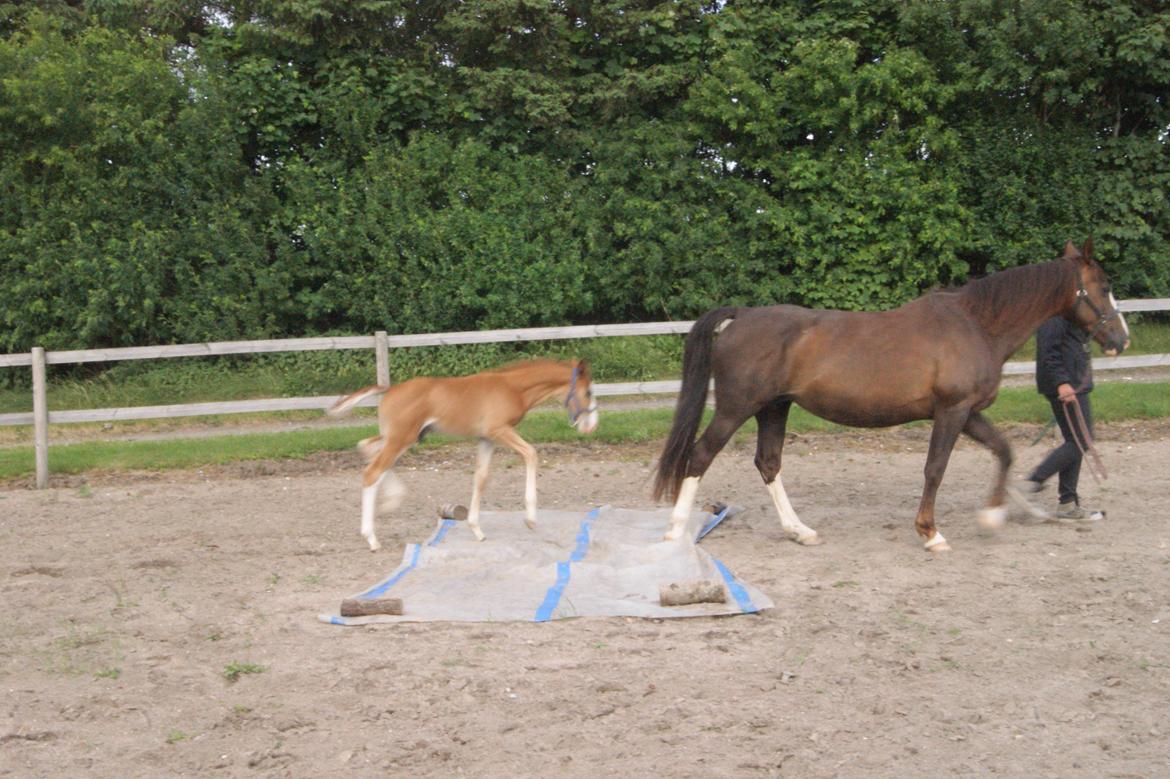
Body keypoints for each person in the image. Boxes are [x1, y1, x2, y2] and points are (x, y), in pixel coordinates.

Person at [1020, 315, 1103, 520]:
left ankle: (1067, 503)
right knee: (1081, 440)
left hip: (1074, 382)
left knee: (1075, 441)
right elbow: (1048, 351)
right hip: (1066, 385)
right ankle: (1032, 481)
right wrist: (1061, 382)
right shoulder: (1056, 313)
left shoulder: (1072, 310)